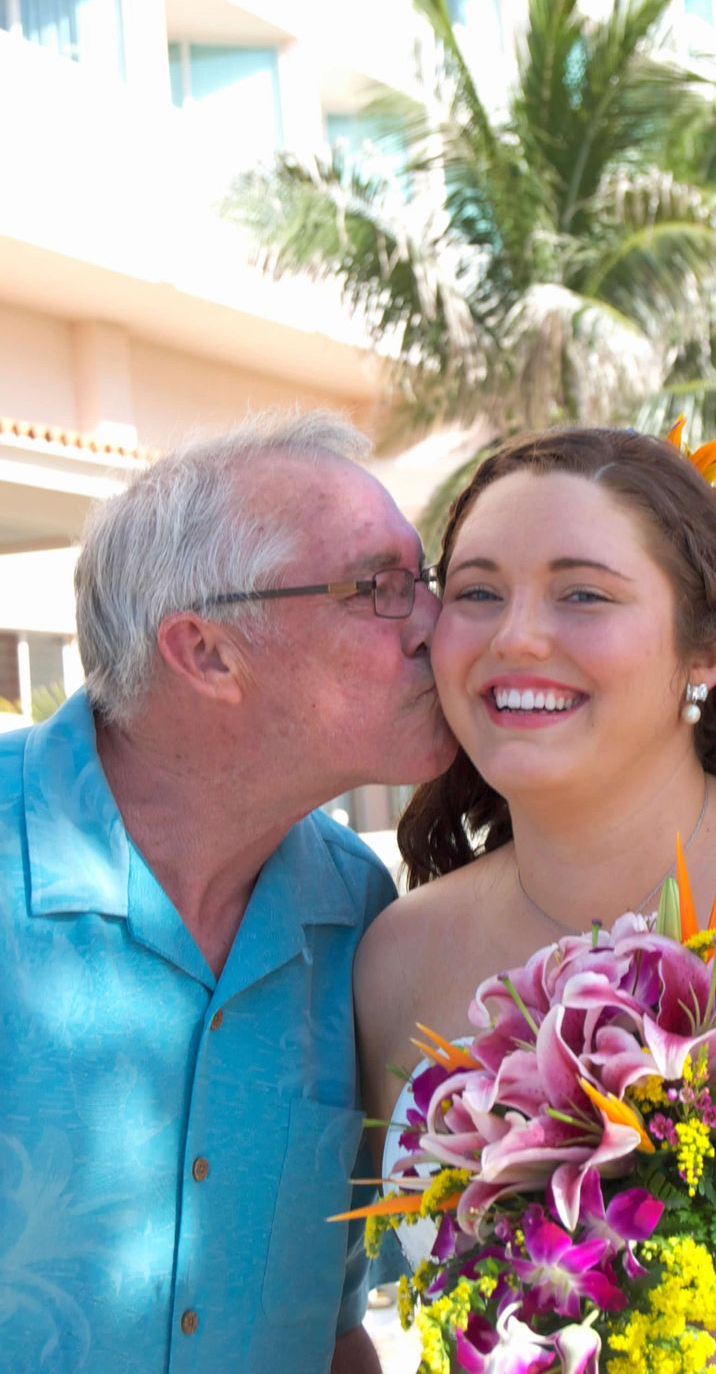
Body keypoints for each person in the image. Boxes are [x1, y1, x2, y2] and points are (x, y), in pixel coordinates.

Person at [356, 425, 716, 1370]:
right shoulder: (394, 957)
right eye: (476, 593)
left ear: (705, 653)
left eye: (583, 593)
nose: (516, 635)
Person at [0, 413, 457, 1374]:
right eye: (380, 587)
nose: (438, 624)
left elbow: (332, 1331)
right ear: (206, 652)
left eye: (426, 579)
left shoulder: (359, 912)